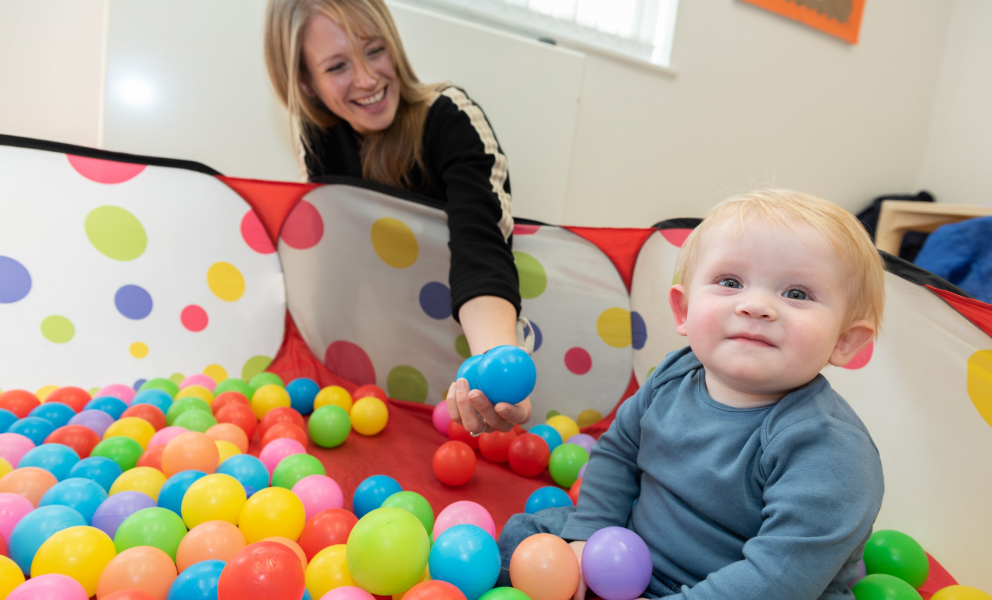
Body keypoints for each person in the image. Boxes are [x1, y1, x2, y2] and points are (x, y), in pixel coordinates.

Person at [497, 189, 886, 600]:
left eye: (797, 294)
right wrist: (588, 537)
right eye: (730, 282)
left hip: (742, 589)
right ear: (683, 311)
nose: (755, 306)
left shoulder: (830, 451)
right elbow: (616, 453)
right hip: (635, 550)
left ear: (845, 340)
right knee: (524, 538)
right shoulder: (671, 377)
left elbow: (777, 579)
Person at [264, 0, 531, 433]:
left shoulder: (451, 118)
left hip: (453, 342)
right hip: (382, 355)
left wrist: (496, 363)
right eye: (337, 67)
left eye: (374, 50)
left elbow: (480, 247)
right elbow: (333, 260)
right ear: (306, 82)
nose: (367, 80)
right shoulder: (317, 135)